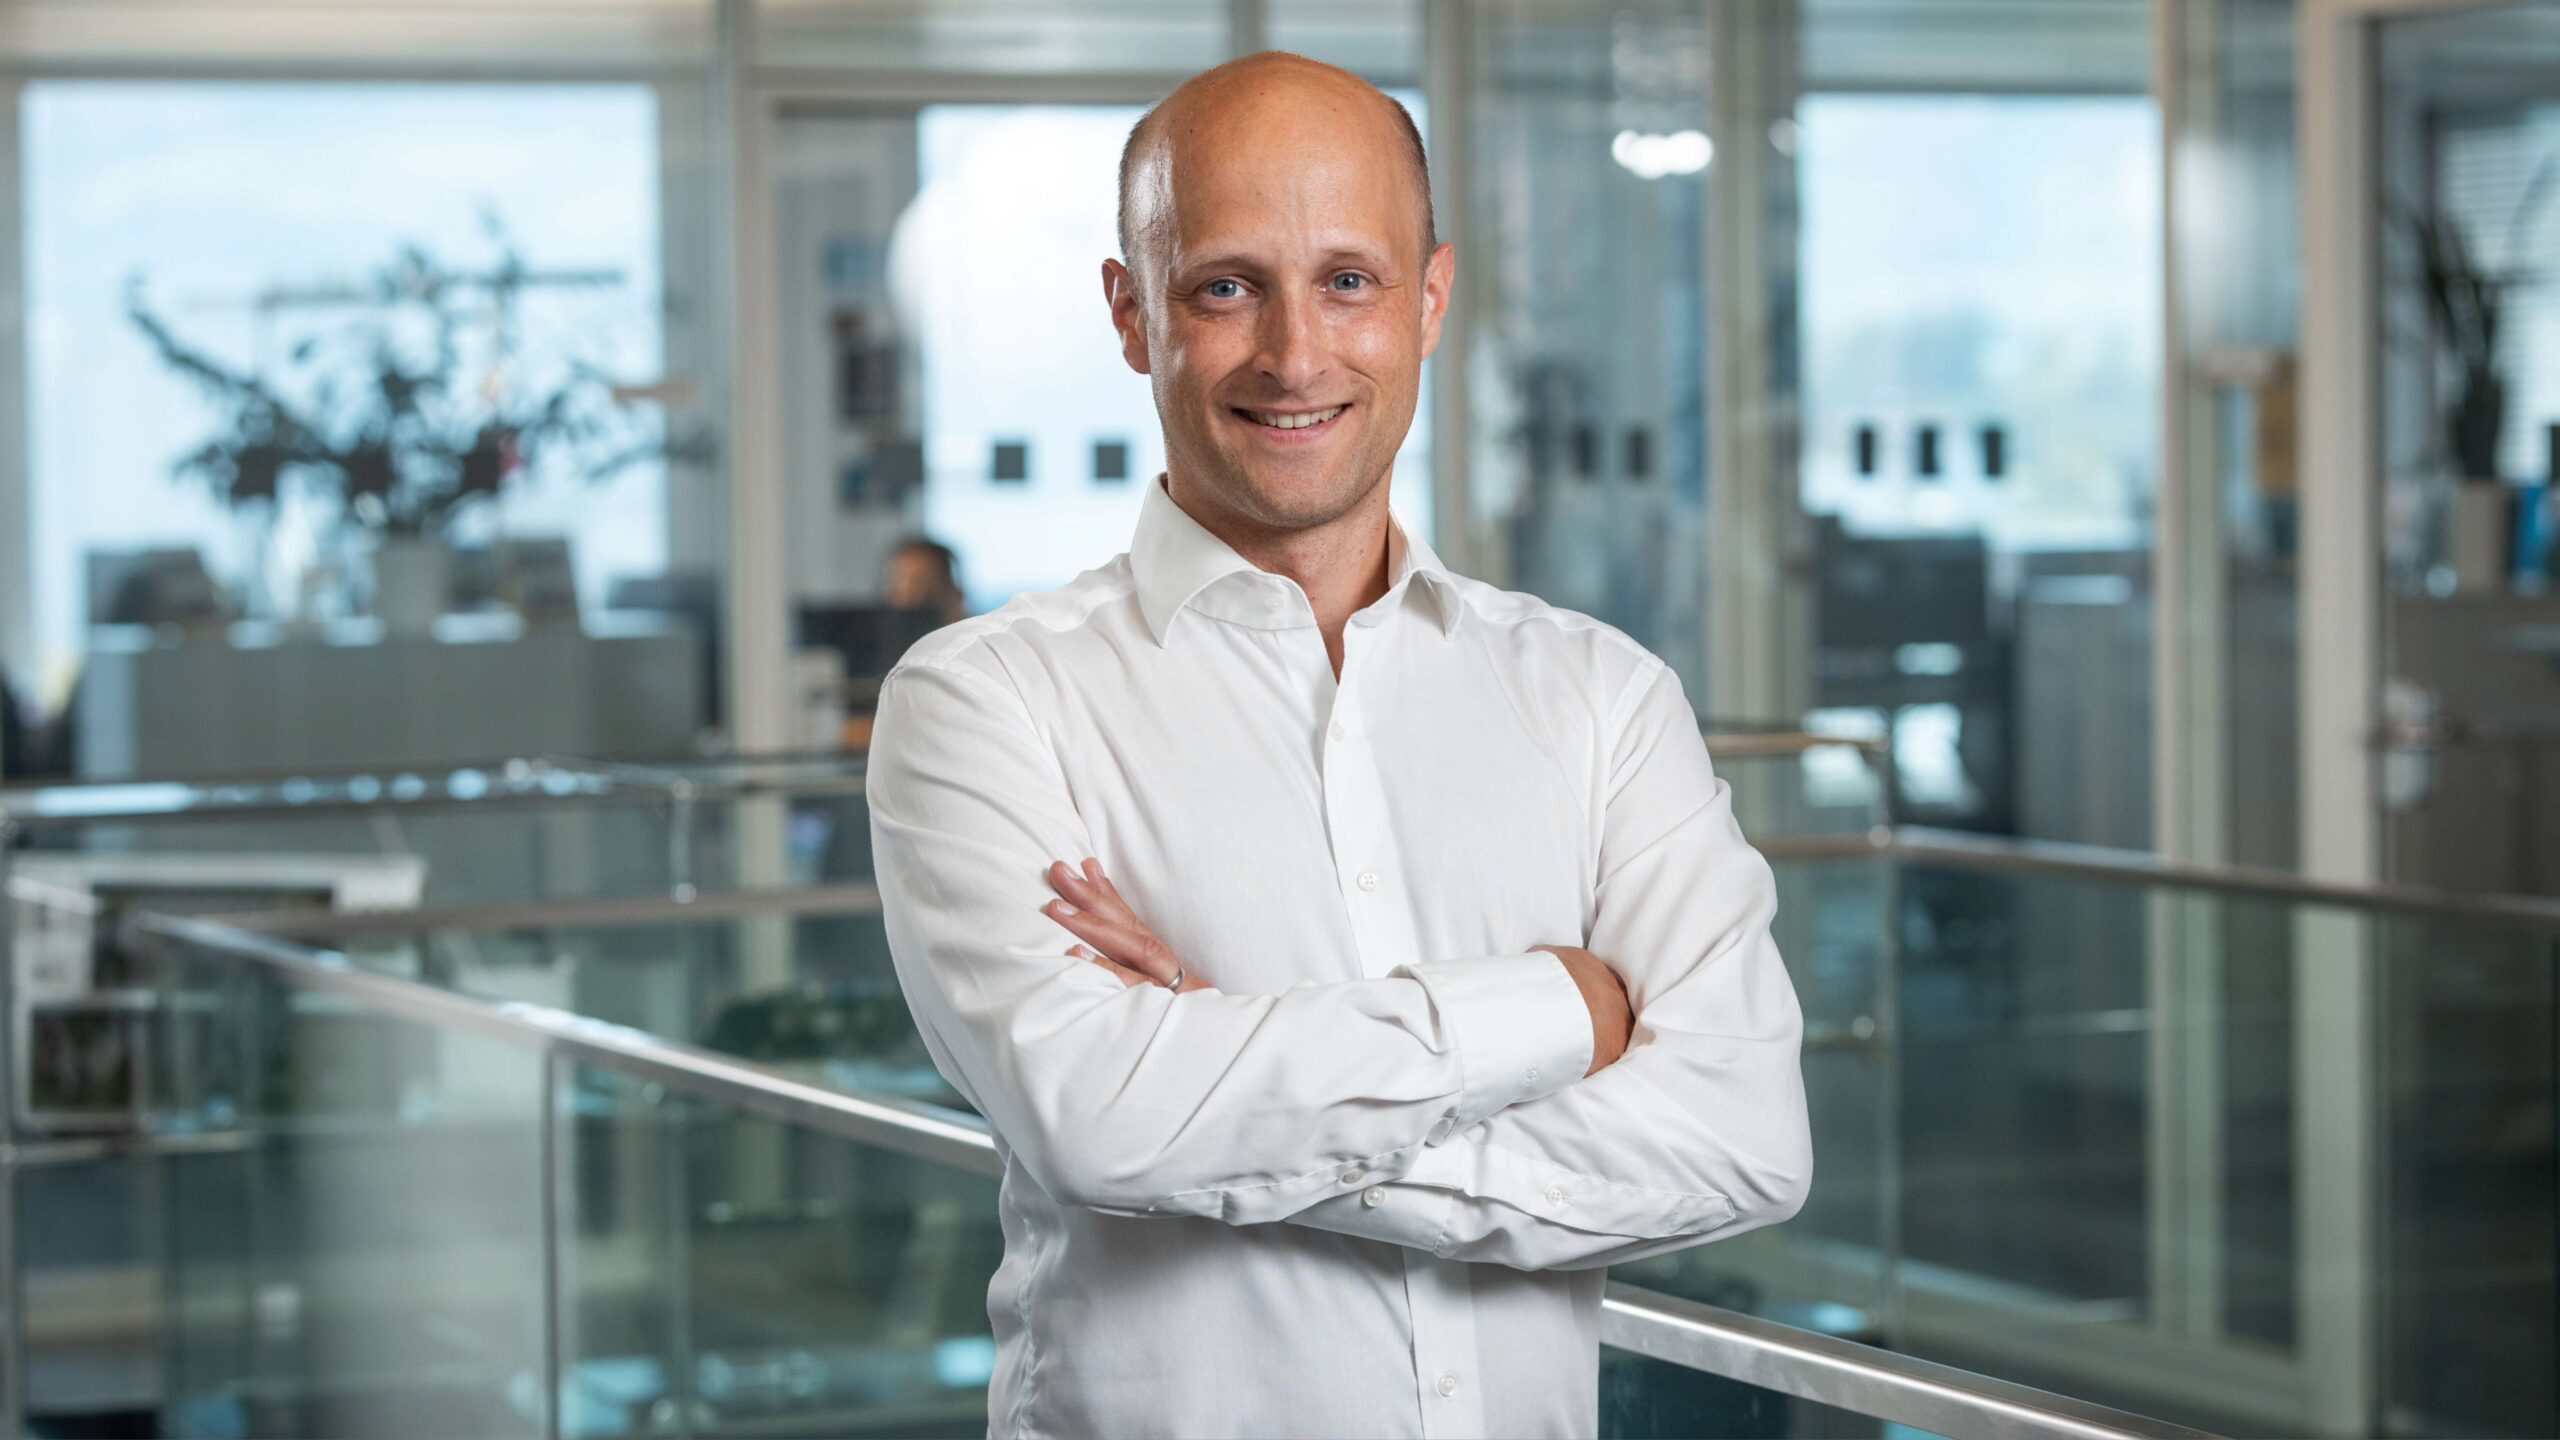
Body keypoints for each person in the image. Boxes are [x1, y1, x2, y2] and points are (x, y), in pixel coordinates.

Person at [866, 51, 1809, 1440]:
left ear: (1430, 300)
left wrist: (1230, 1098)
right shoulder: (983, 705)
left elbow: (1743, 1141)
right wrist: (1553, 1007)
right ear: (1132, 314)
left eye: (1349, 281)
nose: (1296, 355)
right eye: (1226, 286)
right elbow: (1097, 1120)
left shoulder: (1601, 696)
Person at [885, 534, 969, 625]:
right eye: (901, 580)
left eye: (920, 582)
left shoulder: (972, 633)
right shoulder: (881, 631)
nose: (917, 594)